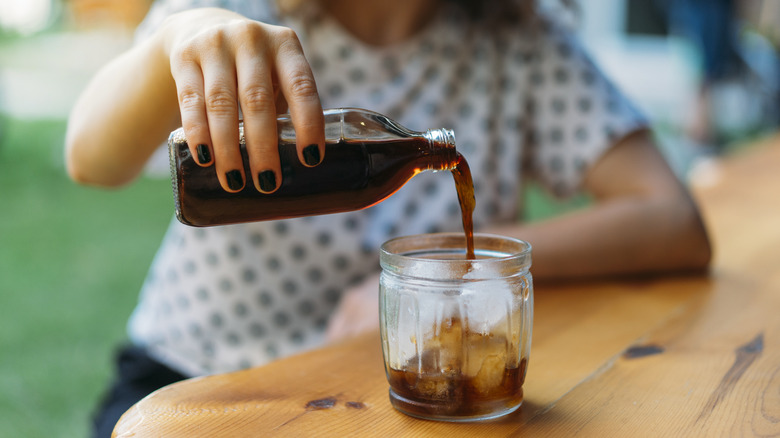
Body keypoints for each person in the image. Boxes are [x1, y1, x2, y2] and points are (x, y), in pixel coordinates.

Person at [65, 0, 712, 436]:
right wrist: (176, 42)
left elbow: (671, 217)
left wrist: (442, 263)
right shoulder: (248, 12)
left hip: (381, 403)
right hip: (197, 383)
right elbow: (92, 158)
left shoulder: (517, 42)